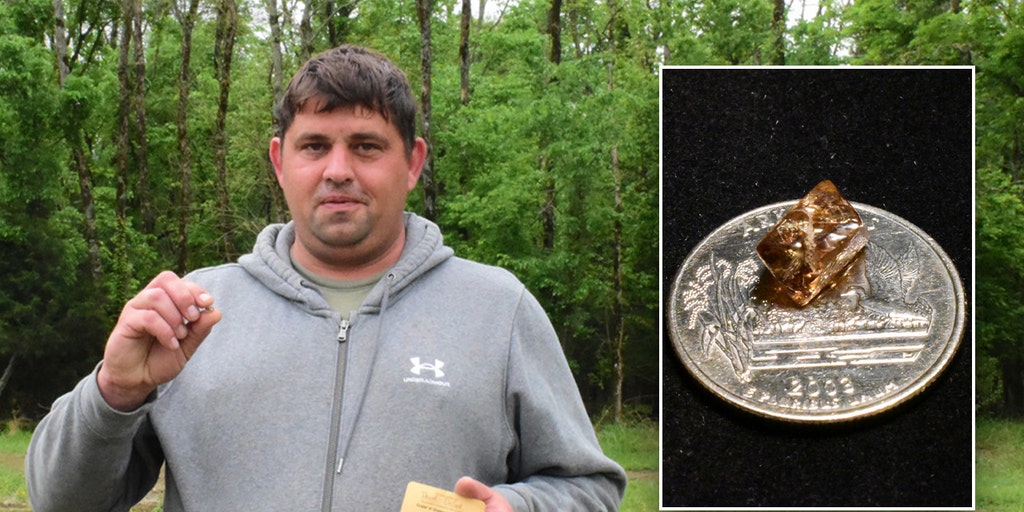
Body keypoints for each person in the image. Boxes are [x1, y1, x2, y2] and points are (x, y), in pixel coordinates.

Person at [25, 45, 626, 511]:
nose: (338, 171)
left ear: (412, 162)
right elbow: (60, 501)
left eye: (366, 146)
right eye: (314, 146)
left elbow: (589, 488)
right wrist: (115, 393)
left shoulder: (499, 310)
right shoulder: (190, 315)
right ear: (279, 161)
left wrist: (518, 505)